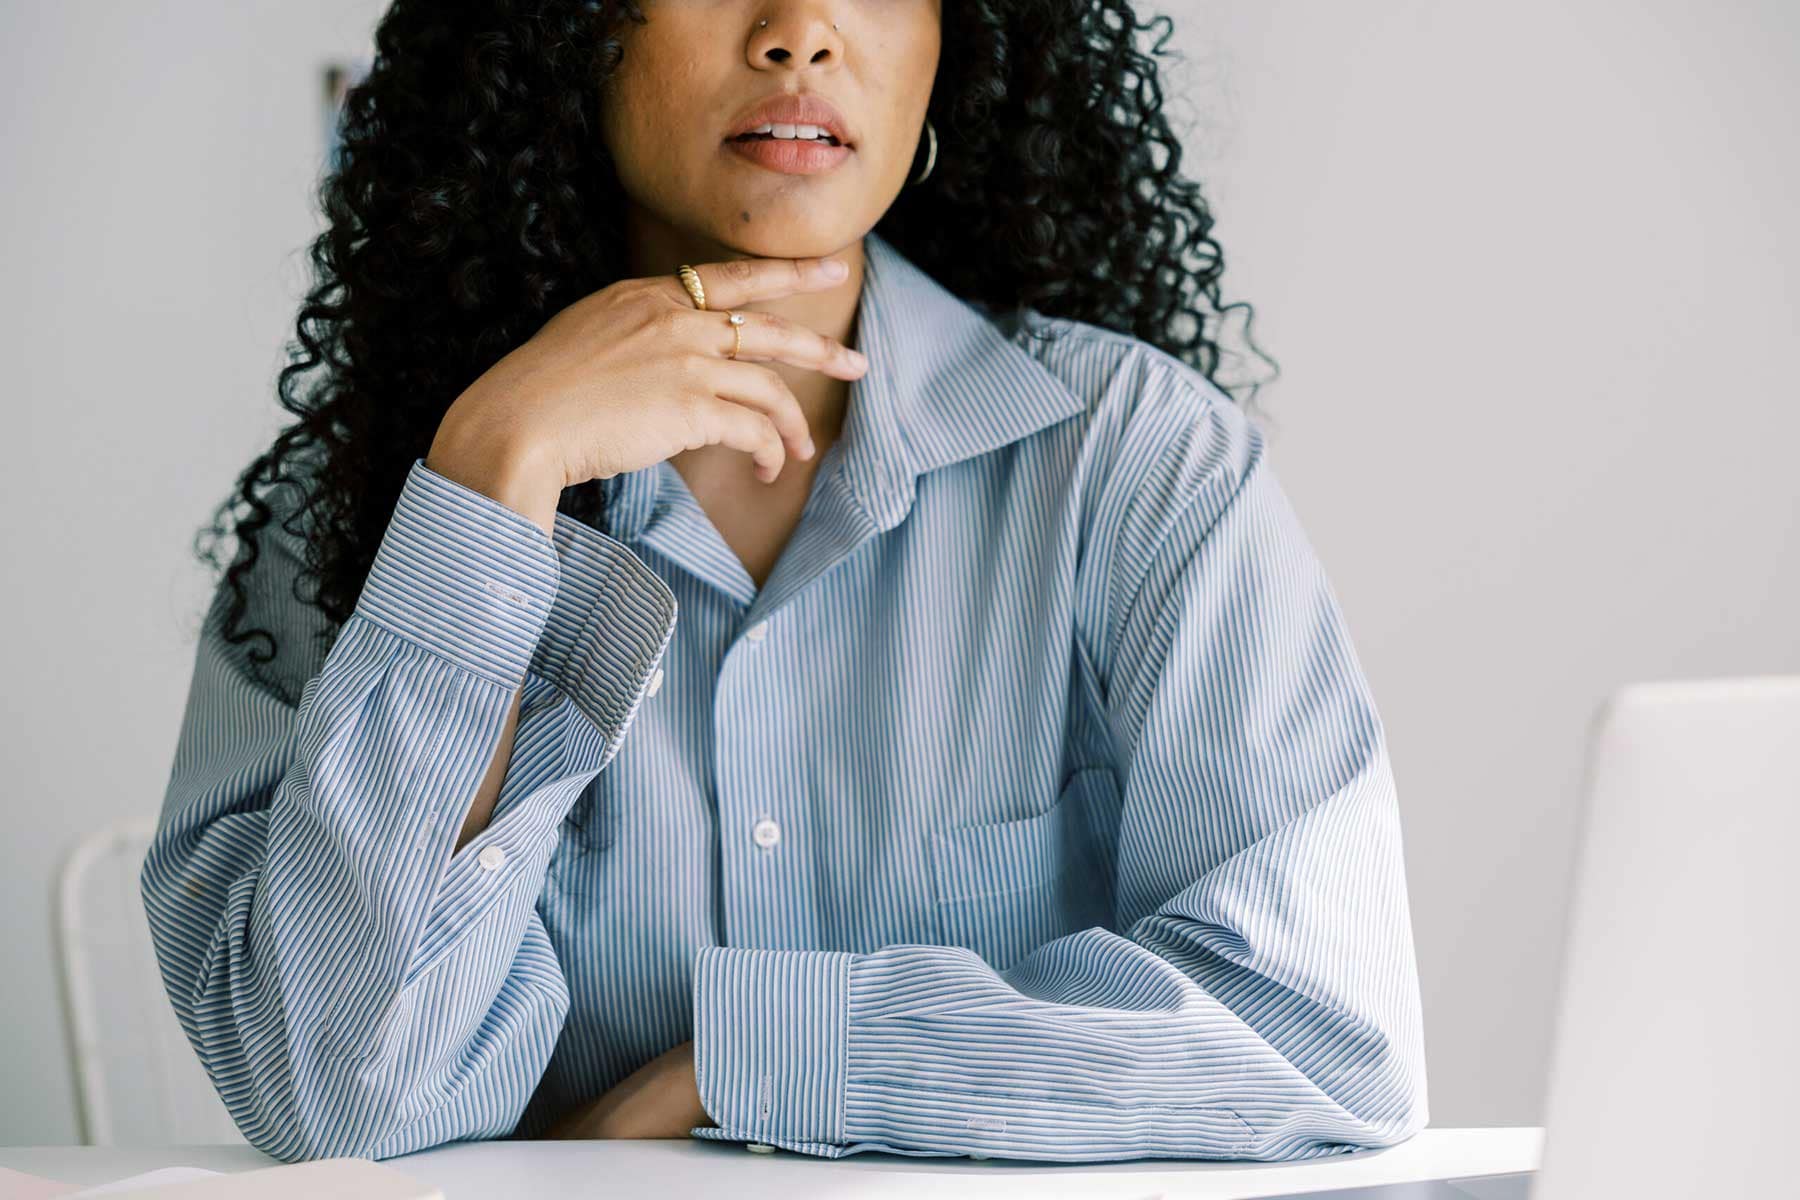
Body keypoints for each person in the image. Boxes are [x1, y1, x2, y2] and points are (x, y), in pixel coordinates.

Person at [141, 0, 1428, 1167]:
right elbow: (337, 1096)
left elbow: (1325, 1034)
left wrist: (747, 1066)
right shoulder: (383, 499)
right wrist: (492, 484)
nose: (800, 32)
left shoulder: (1141, 461)